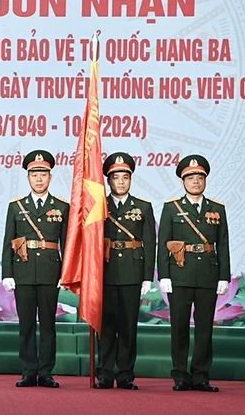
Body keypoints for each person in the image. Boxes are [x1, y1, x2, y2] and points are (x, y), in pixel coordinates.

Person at [157, 155, 230, 392]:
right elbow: (163, 242)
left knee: (204, 327)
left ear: (205, 180)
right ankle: (180, 375)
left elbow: (223, 244)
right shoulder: (172, 208)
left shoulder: (217, 209)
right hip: (180, 272)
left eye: (200, 177)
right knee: (179, 326)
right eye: (190, 178)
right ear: (182, 182)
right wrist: (164, 275)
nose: (196, 182)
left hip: (208, 274)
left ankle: (200, 375)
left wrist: (224, 276)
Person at [1, 150, 67, 388]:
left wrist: (66, 273)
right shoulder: (17, 207)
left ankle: (46, 372)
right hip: (24, 272)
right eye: (34, 174)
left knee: (48, 325)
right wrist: (7, 273)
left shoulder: (61, 206)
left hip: (51, 272)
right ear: (28, 177)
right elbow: (8, 240)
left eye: (43, 174)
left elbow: (67, 243)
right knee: (26, 325)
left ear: (50, 177)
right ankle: (29, 371)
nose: (39, 179)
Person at [94, 152, 156, 390]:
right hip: (106, 273)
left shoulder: (143, 207)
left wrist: (146, 276)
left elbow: (150, 242)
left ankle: (126, 374)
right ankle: (105, 373)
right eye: (115, 178)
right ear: (108, 181)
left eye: (125, 177)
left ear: (131, 180)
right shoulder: (99, 206)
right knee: (107, 326)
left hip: (132, 271)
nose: (120, 182)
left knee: (128, 326)